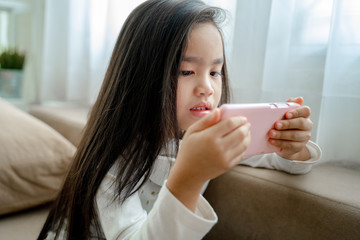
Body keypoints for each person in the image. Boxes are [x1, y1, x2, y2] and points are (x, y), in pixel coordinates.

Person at [38, 0, 321, 239]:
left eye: (214, 72)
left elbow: (276, 157)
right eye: (186, 72)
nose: (207, 88)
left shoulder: (202, 128)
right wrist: (189, 177)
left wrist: (292, 147)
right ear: (141, 79)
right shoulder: (113, 156)